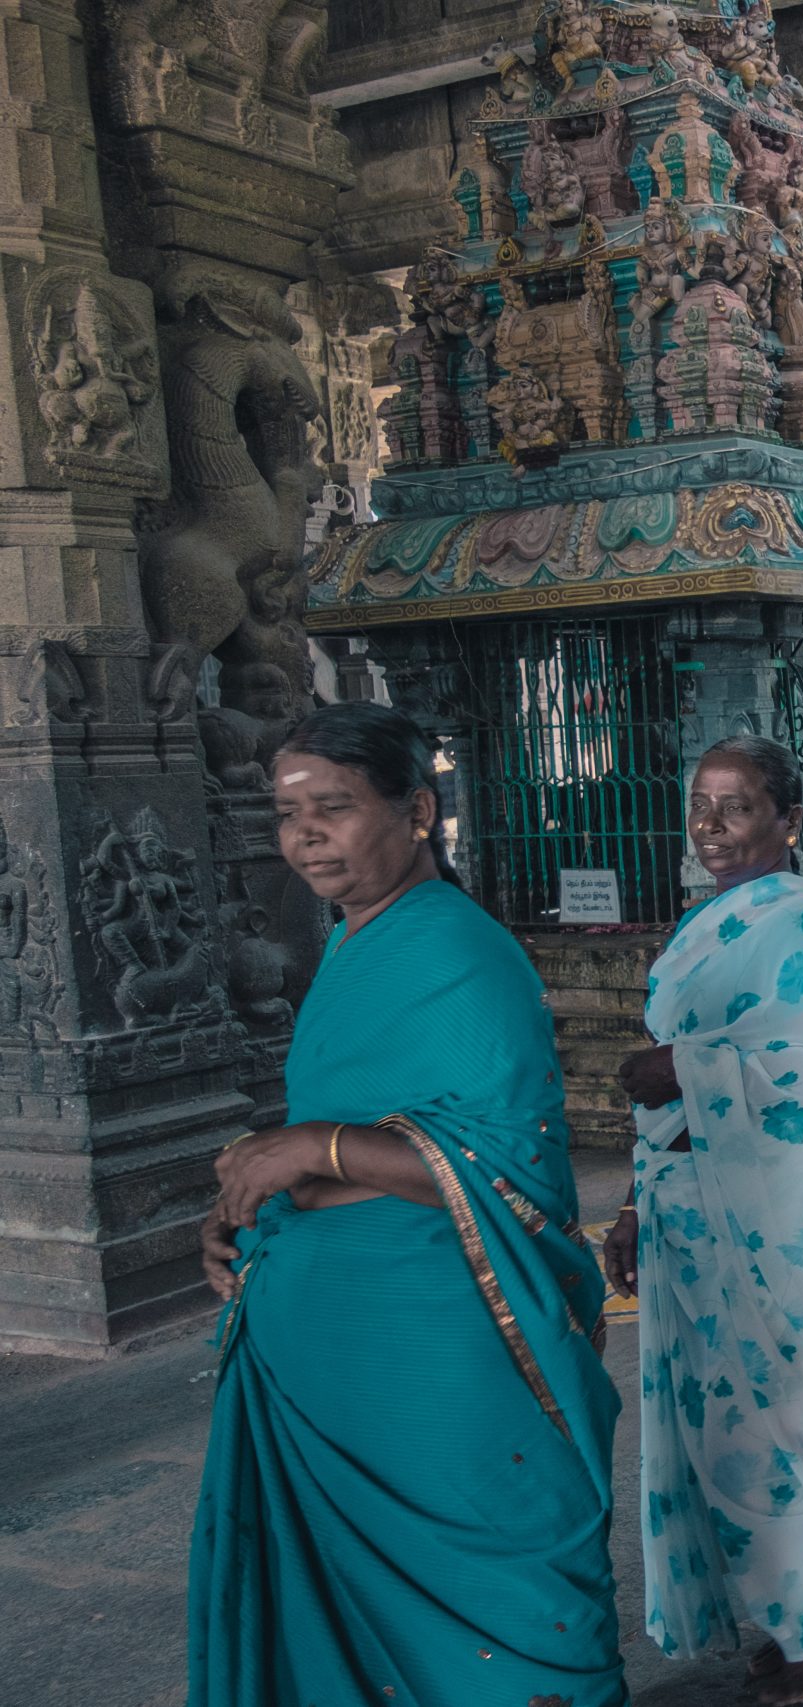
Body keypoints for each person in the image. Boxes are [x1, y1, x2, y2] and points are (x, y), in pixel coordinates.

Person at [189, 702, 626, 1707]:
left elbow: (511, 1168)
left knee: (494, 1603)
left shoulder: (459, 953)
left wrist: (314, 1147)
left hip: (435, 1349)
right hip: (332, 1351)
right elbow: (349, 1114)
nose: (305, 835)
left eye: (332, 808)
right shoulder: (355, 941)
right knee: (345, 1623)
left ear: (417, 809)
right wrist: (249, 1198)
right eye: (289, 814)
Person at [603, 735, 803, 1706]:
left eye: (737, 807)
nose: (712, 826)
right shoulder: (702, 930)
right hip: (692, 1217)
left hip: (787, 1225)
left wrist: (683, 1071)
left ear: (790, 822)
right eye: (701, 804)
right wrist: (632, 1202)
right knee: (719, 1428)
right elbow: (666, 1089)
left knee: (790, 1420)